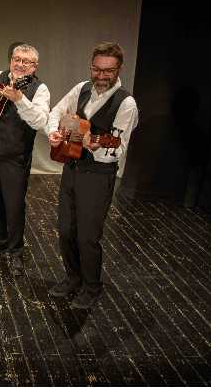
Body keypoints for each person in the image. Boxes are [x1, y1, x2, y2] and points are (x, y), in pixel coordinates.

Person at [46, 42, 139, 309]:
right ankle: (72, 277)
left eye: (107, 71)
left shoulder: (126, 103)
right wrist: (55, 132)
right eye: (96, 69)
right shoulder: (82, 88)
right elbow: (56, 112)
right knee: (66, 230)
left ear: (119, 69)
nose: (100, 76)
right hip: (72, 168)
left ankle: (91, 286)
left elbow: (118, 148)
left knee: (88, 235)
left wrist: (97, 146)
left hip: (99, 175)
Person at [0, 44, 51, 276]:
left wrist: (20, 99)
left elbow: (39, 122)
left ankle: (16, 251)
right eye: (16, 59)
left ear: (34, 66)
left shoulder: (40, 89)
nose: (19, 64)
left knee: (14, 204)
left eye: (26, 61)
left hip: (16, 154)